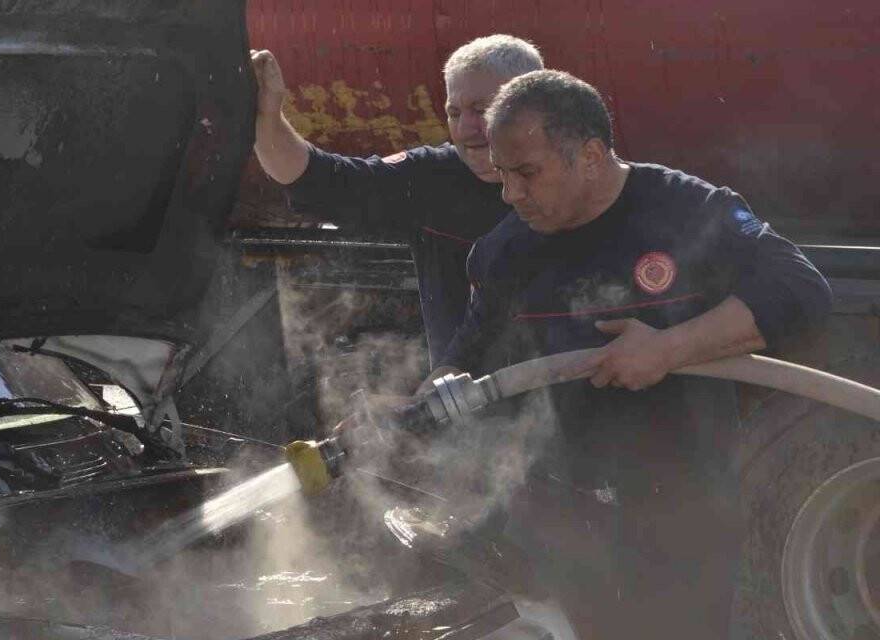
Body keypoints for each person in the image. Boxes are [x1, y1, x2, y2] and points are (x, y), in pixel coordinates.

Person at [439, 70, 831, 638]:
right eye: (502, 174)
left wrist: (668, 348)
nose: (510, 194)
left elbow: (801, 289)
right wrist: (441, 385)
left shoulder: (686, 211)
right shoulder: (505, 252)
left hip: (681, 512)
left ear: (591, 155)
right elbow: (465, 357)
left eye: (527, 172)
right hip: (560, 520)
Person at [251, 35, 543, 367]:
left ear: (534, 104)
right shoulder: (432, 179)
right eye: (454, 112)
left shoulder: (591, 182)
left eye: (481, 110)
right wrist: (266, 117)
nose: (465, 128)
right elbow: (321, 181)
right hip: (465, 407)